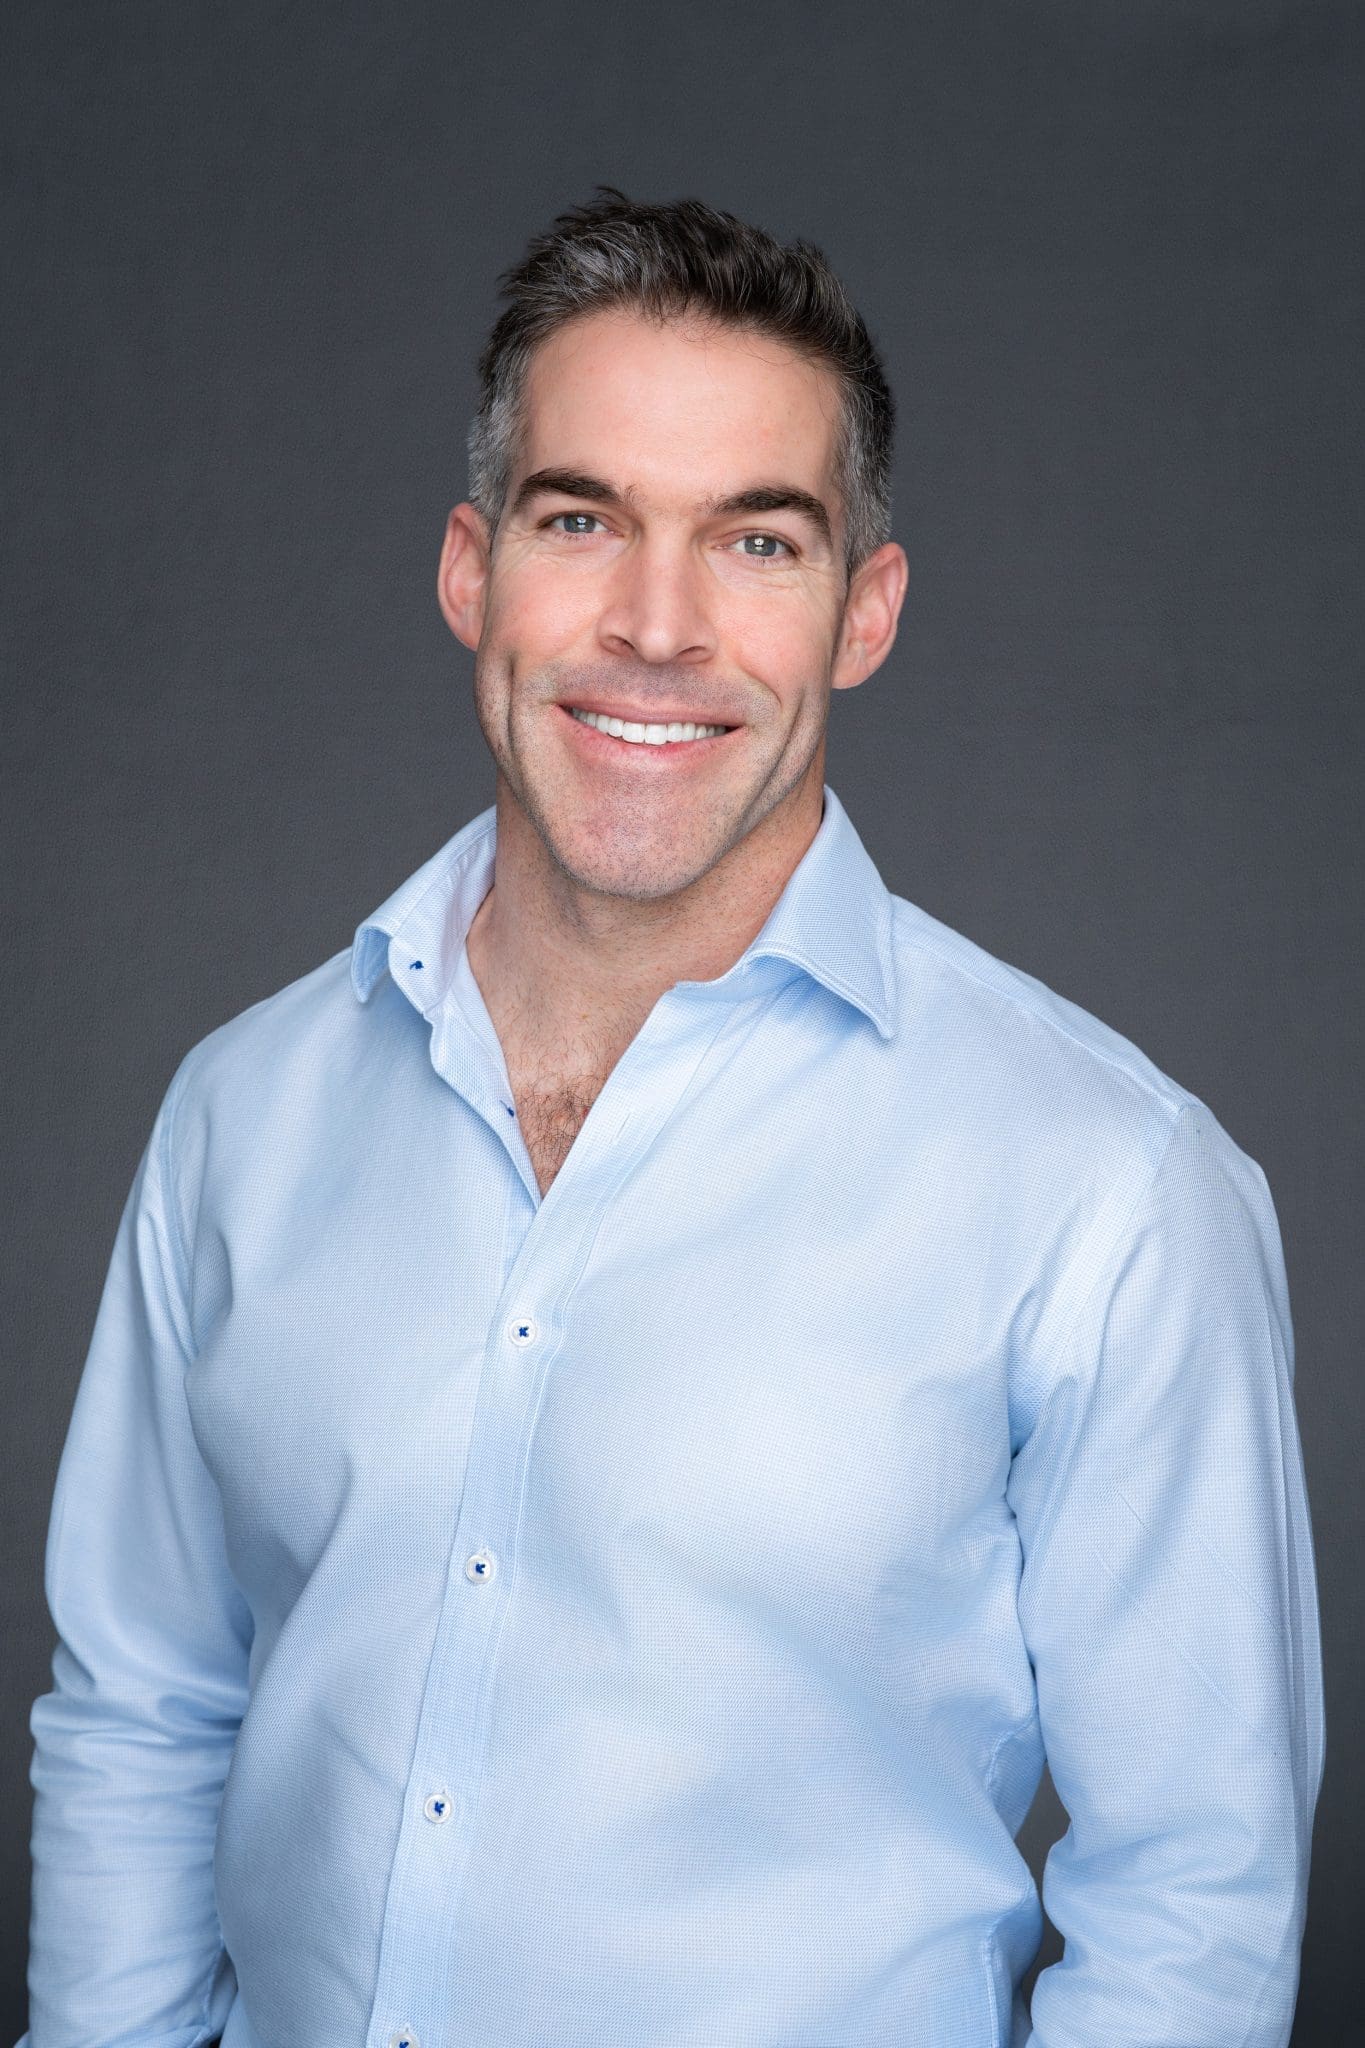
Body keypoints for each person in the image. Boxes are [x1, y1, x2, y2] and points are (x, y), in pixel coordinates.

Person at [23, 188, 1323, 2048]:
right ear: (470, 571)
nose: (654, 625)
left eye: (755, 543)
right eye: (581, 521)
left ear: (862, 614)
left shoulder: (1108, 1187)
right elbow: (143, 1718)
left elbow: (1194, 1896)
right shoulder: (243, 1113)